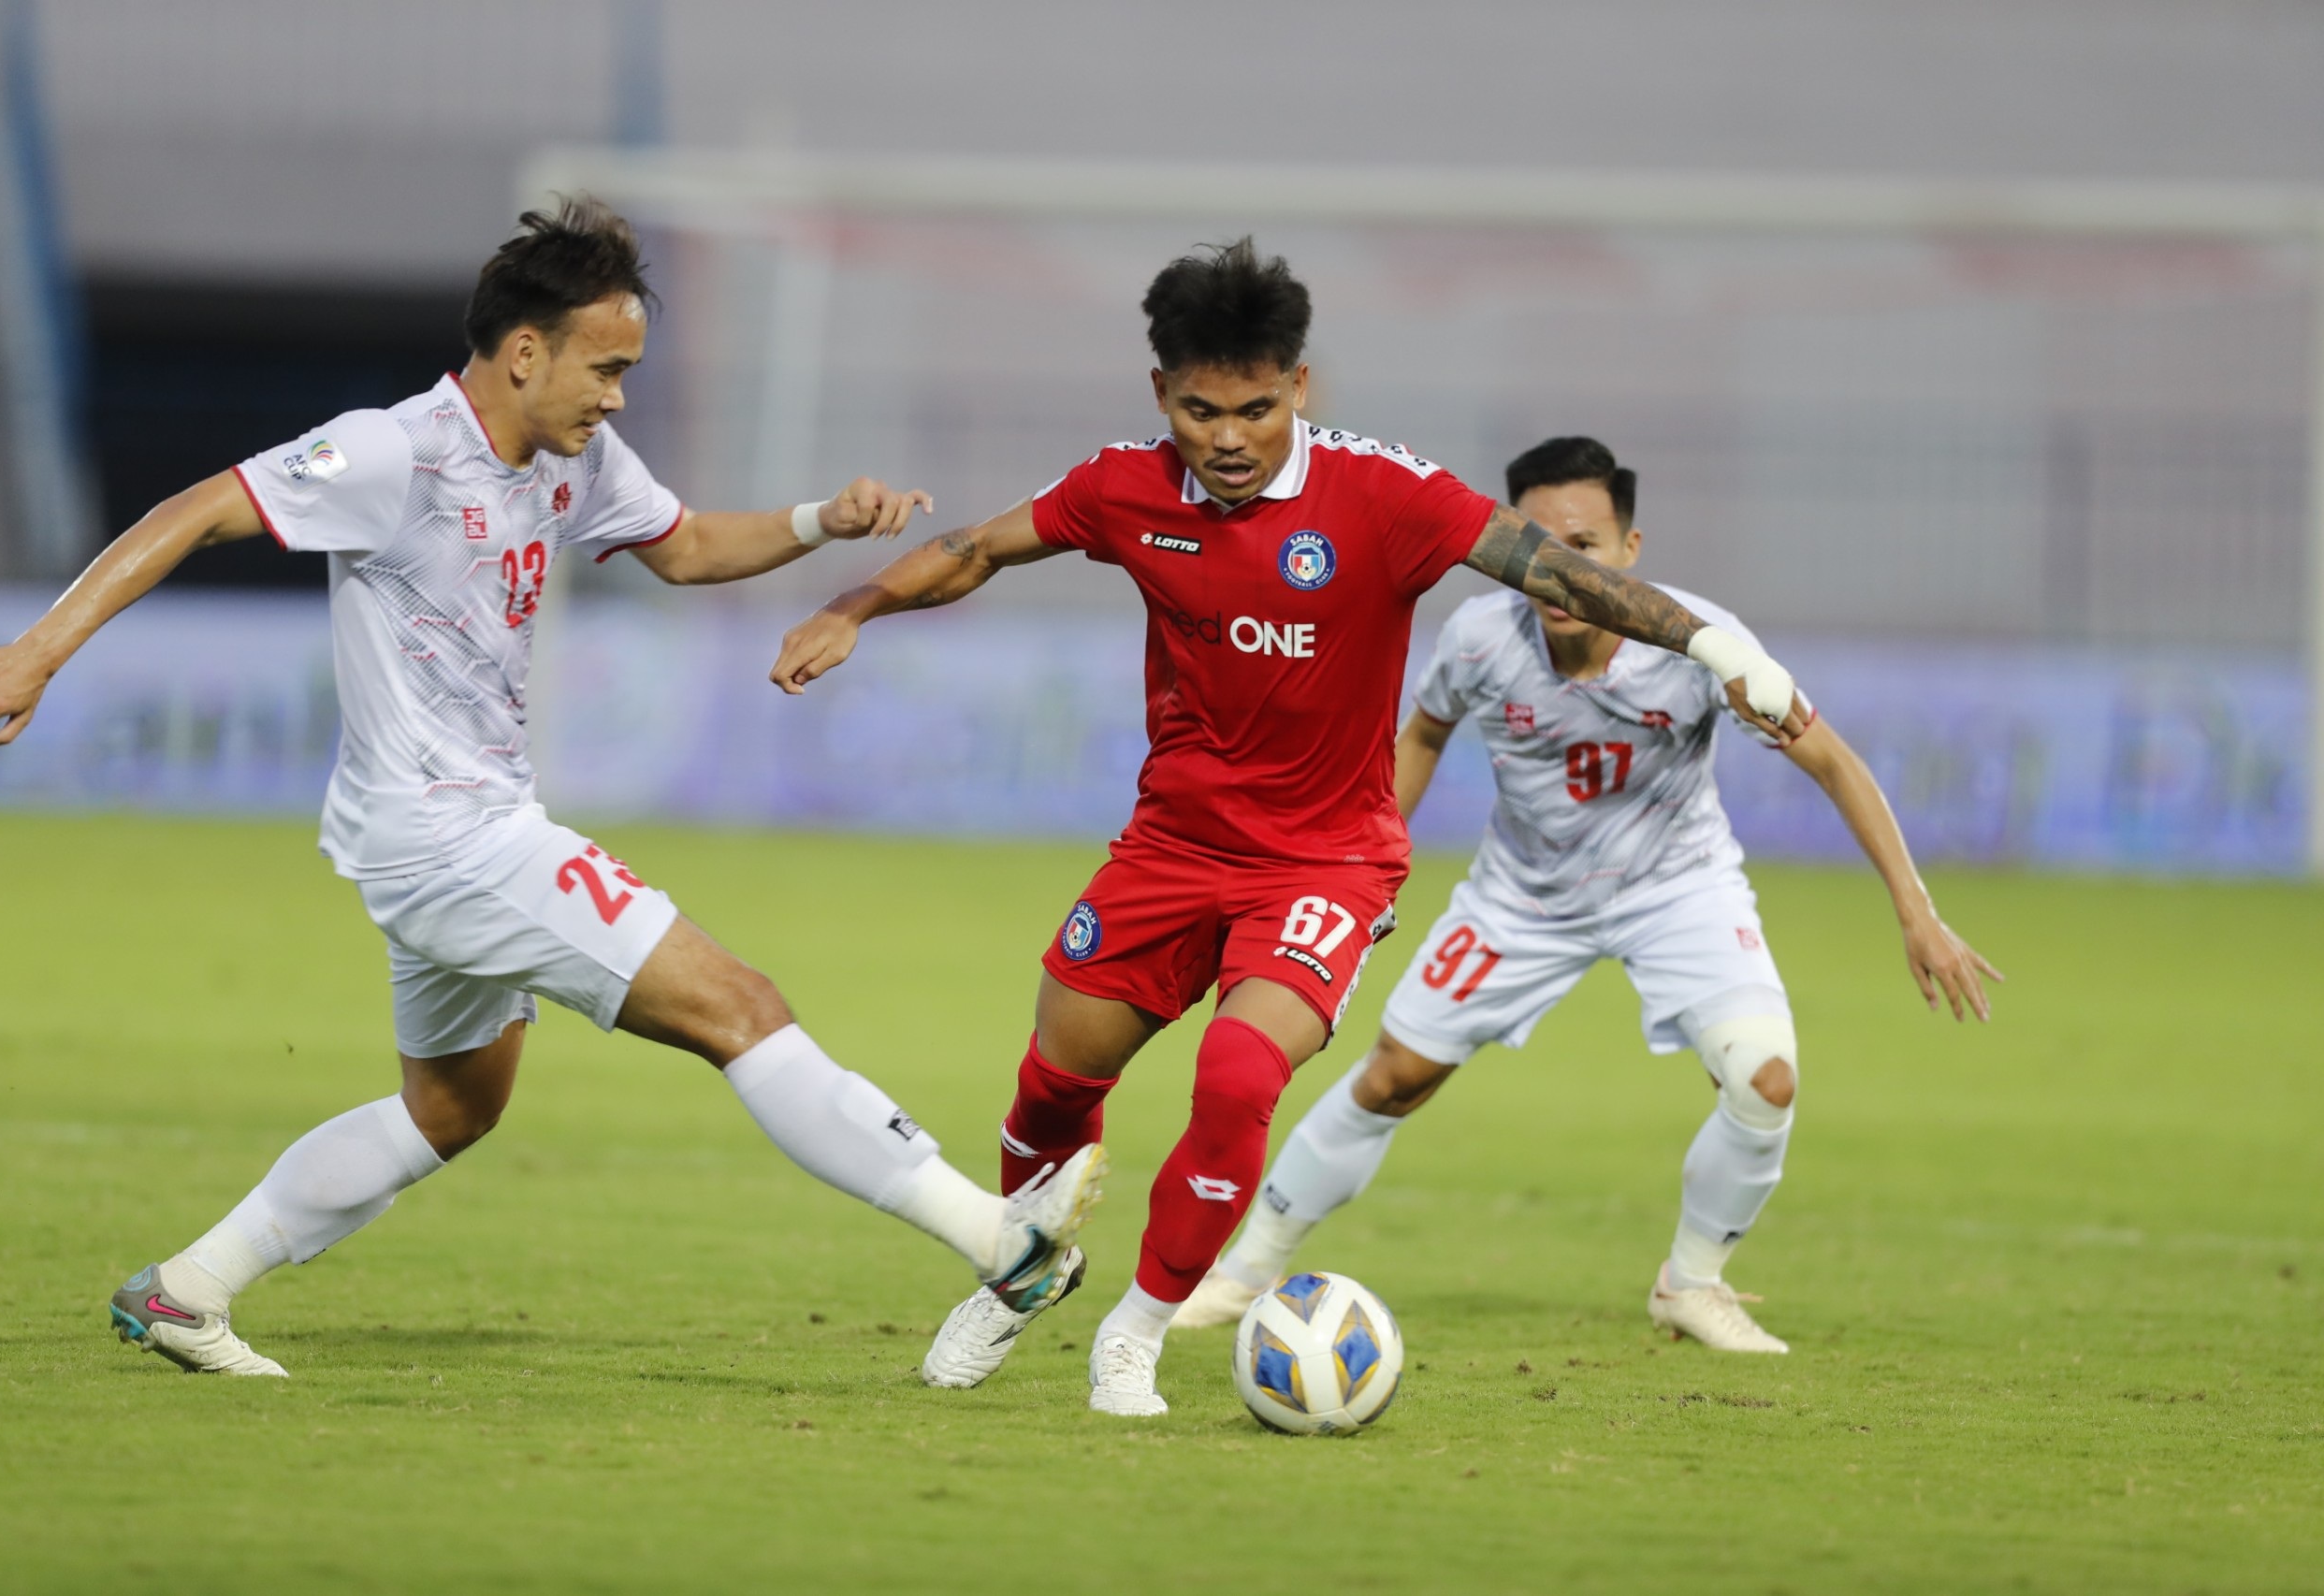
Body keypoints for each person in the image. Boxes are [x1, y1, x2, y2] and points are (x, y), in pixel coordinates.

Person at [0, 198, 1104, 1378]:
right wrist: (39, 649)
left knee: (451, 1107)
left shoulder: (572, 454)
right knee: (739, 1007)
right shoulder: (393, 450)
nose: (617, 396)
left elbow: (687, 545)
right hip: (454, 839)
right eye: (606, 368)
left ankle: (187, 1288)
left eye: (630, 370)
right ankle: (997, 1239)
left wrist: (819, 522)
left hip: (448, 836)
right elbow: (195, 510)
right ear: (525, 351)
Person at [768, 243, 1803, 1415]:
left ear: (1298, 388)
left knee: (1237, 1068)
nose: (1228, 436)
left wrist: (1717, 647)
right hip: (1171, 848)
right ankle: (1018, 1282)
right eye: (1201, 409)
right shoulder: (1124, 486)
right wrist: (858, 602)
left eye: (1256, 408)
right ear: (1160, 394)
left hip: (1327, 859)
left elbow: (1552, 572)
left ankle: (1136, 1334)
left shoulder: (1384, 494)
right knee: (1054, 1084)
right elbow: (978, 548)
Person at [1175, 435, 2002, 1351]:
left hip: (1677, 887)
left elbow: (1833, 760)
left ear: (1630, 550)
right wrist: (1366, 866)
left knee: (1765, 1081)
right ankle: (1244, 1267)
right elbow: (1420, 735)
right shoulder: (1479, 639)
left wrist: (1916, 911)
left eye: (1587, 545)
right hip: (1520, 895)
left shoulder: (1699, 642)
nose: (1560, 570)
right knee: (1392, 1077)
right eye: (1538, 544)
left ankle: (1690, 1284)